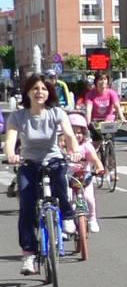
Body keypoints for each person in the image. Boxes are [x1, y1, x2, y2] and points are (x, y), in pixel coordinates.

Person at [4, 74, 80, 275]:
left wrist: (74, 150)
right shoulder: (18, 116)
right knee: (26, 206)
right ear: (28, 91)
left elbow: (69, 135)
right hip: (28, 163)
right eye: (35, 88)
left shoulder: (57, 113)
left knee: (60, 182)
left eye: (44, 89)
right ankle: (28, 255)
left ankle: (67, 216)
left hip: (53, 159)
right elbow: (10, 140)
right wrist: (11, 154)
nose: (40, 92)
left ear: (49, 92)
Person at [64, 114, 107, 232]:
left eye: (79, 132)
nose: (77, 135)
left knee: (89, 198)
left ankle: (92, 218)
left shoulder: (87, 146)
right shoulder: (63, 146)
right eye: (73, 132)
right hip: (67, 177)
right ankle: (67, 222)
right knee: (66, 198)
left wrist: (99, 168)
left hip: (84, 177)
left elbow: (95, 160)